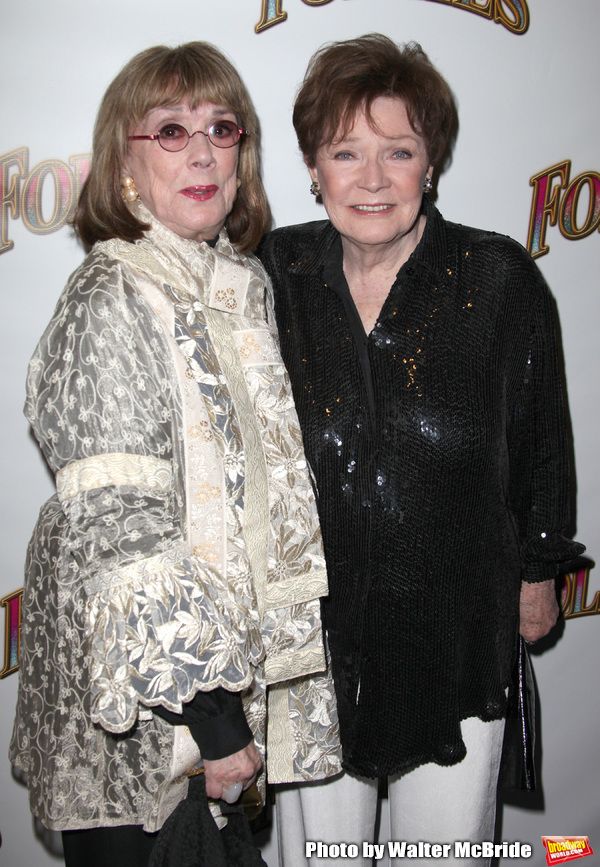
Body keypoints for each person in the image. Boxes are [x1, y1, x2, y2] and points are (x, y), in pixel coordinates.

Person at [10, 41, 341, 867]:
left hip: (221, 701)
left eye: (221, 128)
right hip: (147, 723)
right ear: (123, 164)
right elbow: (127, 540)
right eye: (169, 130)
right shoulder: (111, 296)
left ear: (243, 156)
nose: (201, 150)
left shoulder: (239, 284)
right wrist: (220, 724)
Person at [259, 34, 584, 866]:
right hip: (311, 644)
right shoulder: (271, 275)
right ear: (312, 166)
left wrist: (539, 569)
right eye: (346, 152)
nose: (372, 179)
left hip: (456, 634)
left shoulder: (498, 278)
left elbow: (543, 439)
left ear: (430, 164)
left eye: (397, 151)